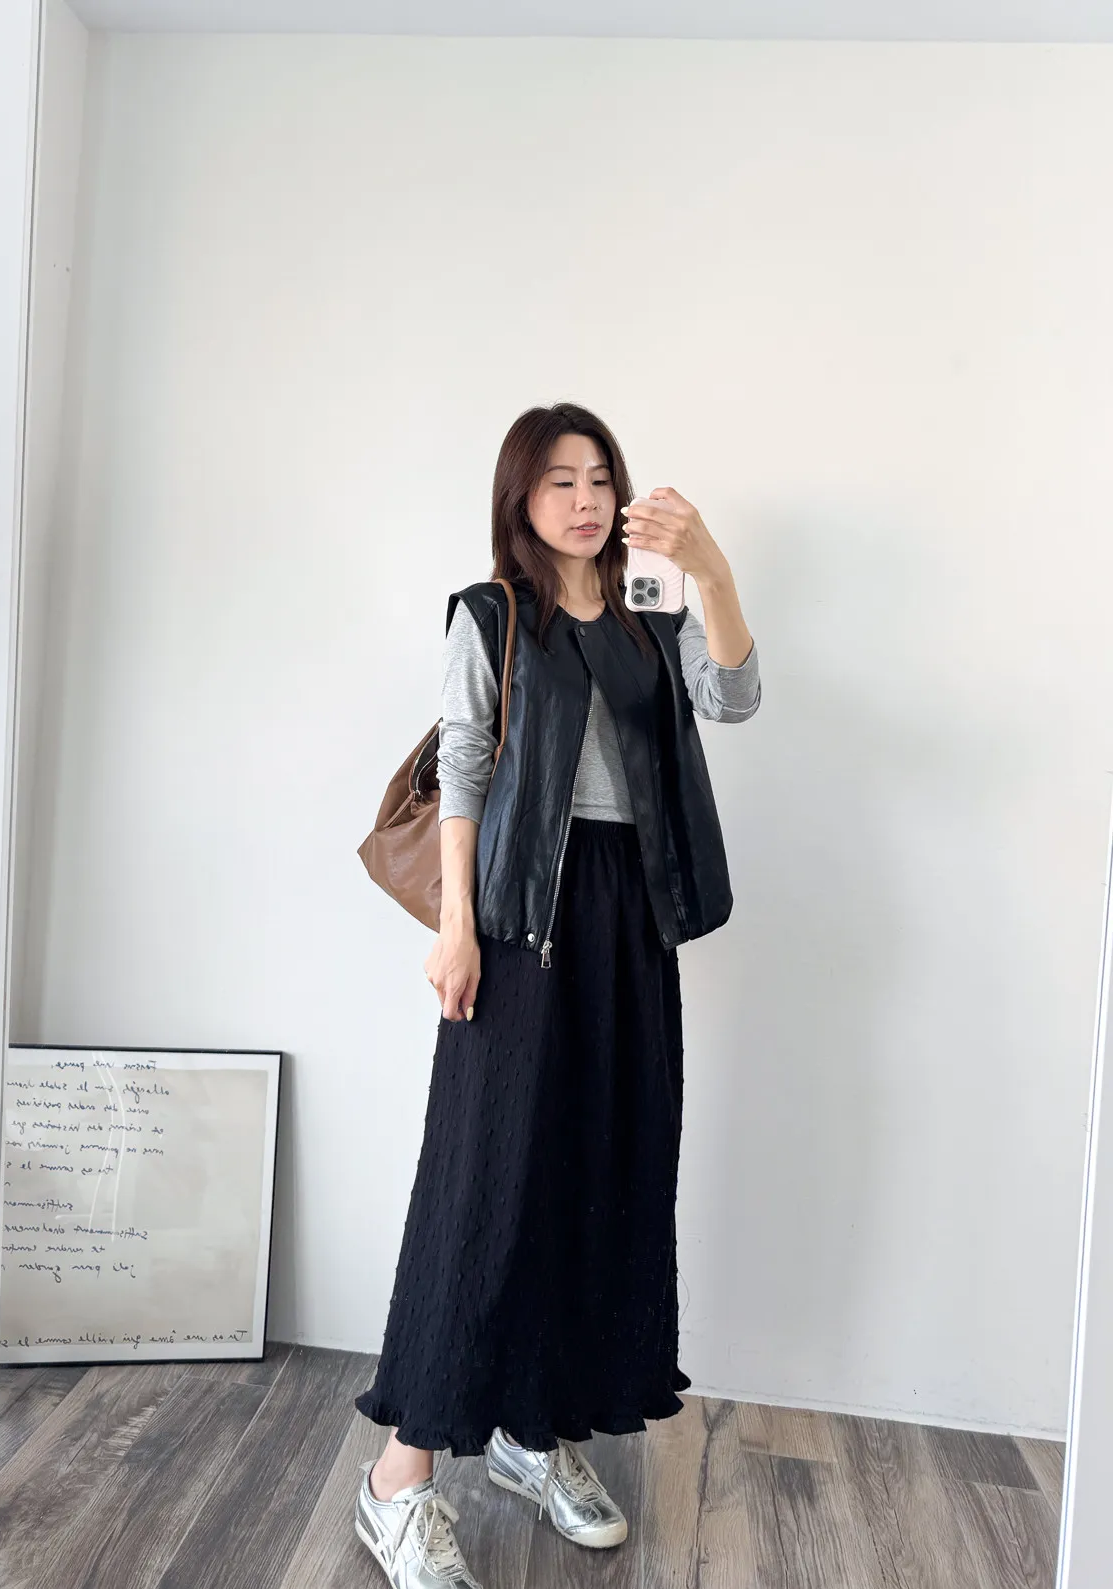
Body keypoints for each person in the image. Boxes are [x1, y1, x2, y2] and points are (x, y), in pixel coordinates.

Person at [353, 402, 761, 1588]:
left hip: (632, 920)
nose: (583, 499)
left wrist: (711, 565)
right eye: (558, 481)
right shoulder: (492, 615)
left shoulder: (652, 613)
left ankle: (533, 1434)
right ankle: (398, 1479)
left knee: (601, 1171)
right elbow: (467, 761)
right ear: (520, 499)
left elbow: (734, 700)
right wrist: (456, 926)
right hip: (521, 920)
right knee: (483, 1188)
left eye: (599, 479)